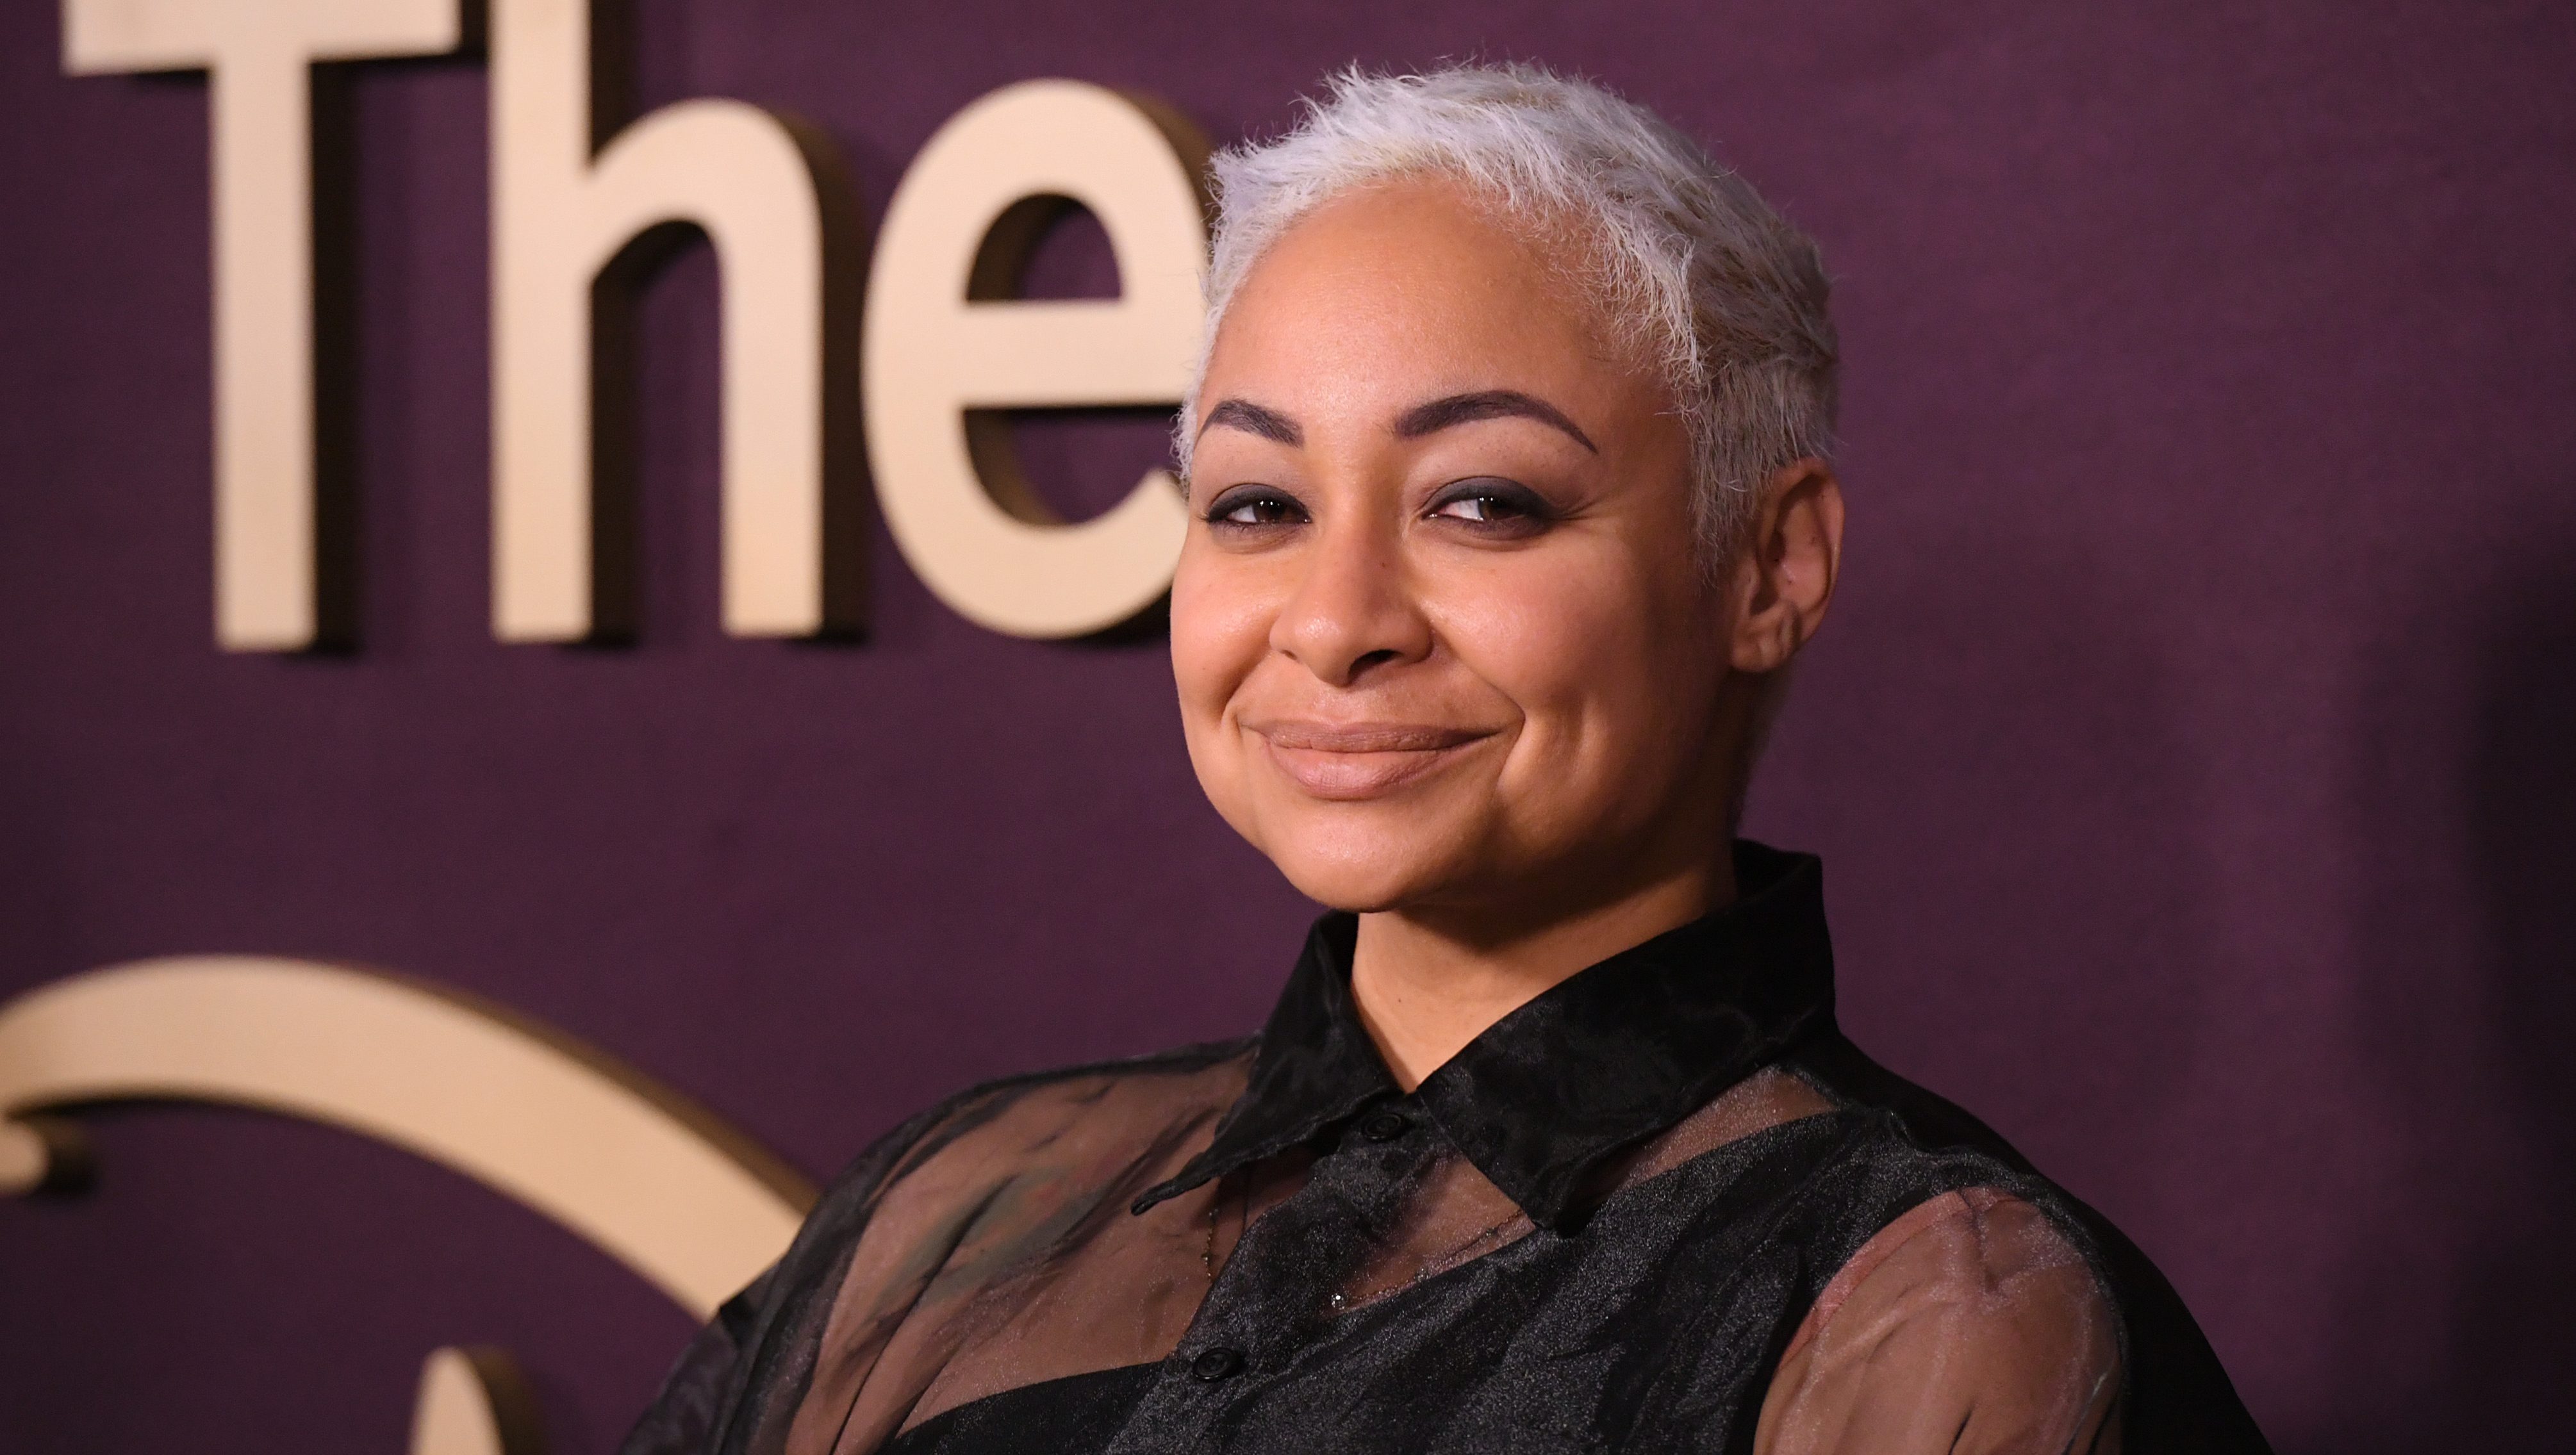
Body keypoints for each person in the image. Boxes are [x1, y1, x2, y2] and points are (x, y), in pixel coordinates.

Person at [623, 64, 2268, 1454]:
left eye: (1483, 501)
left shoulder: (1928, 1297)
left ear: (1770, 566)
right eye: (1258, 503)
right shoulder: (947, 1205)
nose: (1336, 621)